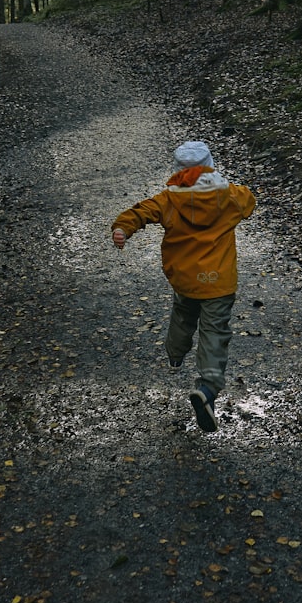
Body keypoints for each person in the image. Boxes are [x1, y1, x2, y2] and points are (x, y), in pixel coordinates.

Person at [112, 141, 256, 432]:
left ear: (177, 172)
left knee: (183, 315)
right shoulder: (230, 196)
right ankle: (208, 387)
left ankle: (175, 355)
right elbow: (249, 202)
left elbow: (140, 211)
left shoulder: (168, 200)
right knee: (215, 333)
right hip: (218, 281)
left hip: (185, 279)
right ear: (211, 167)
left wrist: (122, 228)